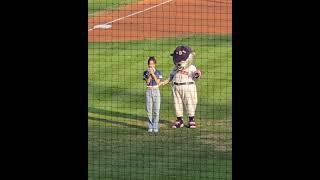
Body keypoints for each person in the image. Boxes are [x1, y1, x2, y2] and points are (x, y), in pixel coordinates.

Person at [143, 56, 163, 133]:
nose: (151, 65)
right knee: (149, 110)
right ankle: (150, 127)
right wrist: (149, 75)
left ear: (155, 64)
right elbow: (147, 82)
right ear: (148, 65)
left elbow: (158, 82)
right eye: (150, 64)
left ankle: (155, 126)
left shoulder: (158, 72)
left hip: (156, 90)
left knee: (156, 110)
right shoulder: (145, 72)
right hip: (148, 91)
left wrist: (153, 74)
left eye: (152, 64)